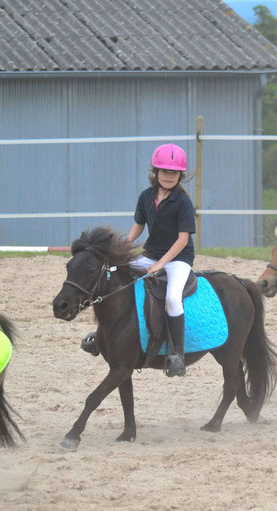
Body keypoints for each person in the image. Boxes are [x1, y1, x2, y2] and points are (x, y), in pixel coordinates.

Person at [80, 144, 196, 377]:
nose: (169, 176)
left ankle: (178, 356)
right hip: (151, 254)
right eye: (165, 172)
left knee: (173, 299)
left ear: (180, 175)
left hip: (178, 259)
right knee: (113, 275)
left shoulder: (183, 202)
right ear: (156, 172)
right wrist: (121, 248)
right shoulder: (146, 197)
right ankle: (99, 337)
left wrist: (161, 264)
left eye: (174, 173)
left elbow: (183, 240)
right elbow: (138, 226)